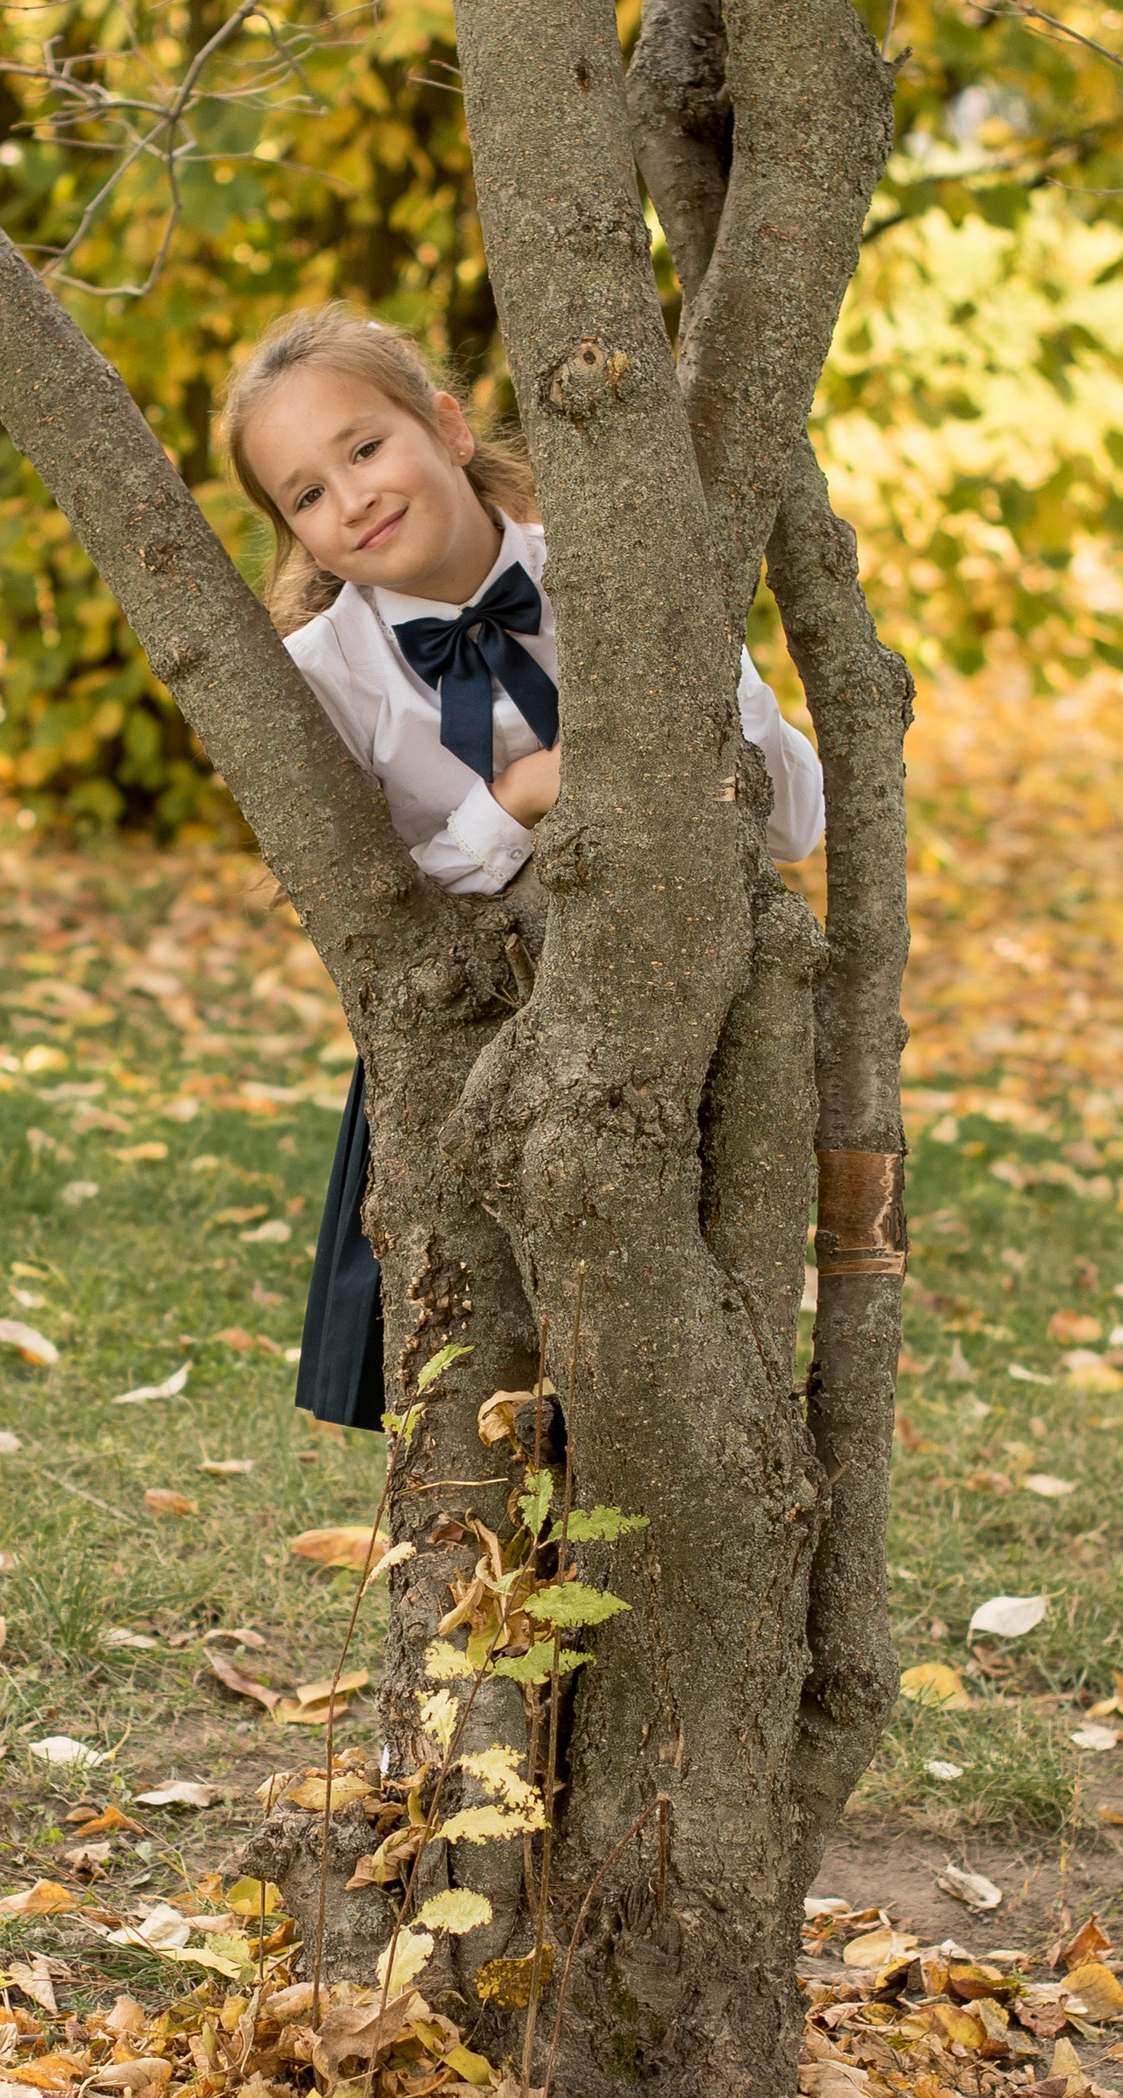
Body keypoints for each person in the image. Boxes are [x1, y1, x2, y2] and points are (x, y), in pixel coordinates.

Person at [223, 306, 825, 1434]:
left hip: (670, 1033)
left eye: (365, 447)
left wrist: (691, 681)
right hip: (462, 1057)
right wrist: (511, 802)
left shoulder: (608, 576)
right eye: (305, 494)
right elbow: (372, 908)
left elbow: (794, 823)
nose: (349, 497)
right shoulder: (314, 678)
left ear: (447, 427)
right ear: (294, 533)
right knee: (474, 1387)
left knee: (658, 1368)